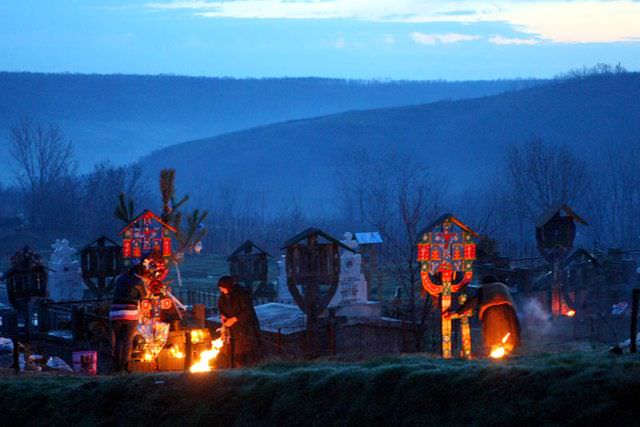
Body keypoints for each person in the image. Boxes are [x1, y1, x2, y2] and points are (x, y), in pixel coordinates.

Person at [445, 275, 521, 356]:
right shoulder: (503, 287)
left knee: (494, 335)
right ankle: (508, 353)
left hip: (491, 311)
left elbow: (473, 302)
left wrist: (458, 312)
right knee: (509, 332)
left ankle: (497, 355)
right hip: (509, 311)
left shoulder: (485, 289)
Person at [110, 260, 147, 373]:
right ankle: (125, 367)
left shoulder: (120, 278)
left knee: (118, 340)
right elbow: (143, 295)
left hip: (115, 311)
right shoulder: (139, 281)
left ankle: (116, 367)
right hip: (130, 312)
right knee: (127, 340)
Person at [217, 276, 261, 368]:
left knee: (243, 354)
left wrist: (234, 319)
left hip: (245, 330)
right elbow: (222, 309)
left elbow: (247, 311)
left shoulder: (242, 295)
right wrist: (223, 317)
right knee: (231, 354)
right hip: (231, 331)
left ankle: (244, 372)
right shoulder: (223, 297)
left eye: (222, 288)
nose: (221, 290)